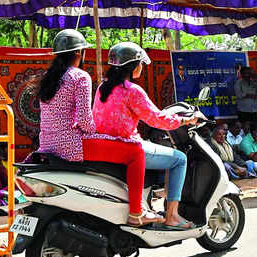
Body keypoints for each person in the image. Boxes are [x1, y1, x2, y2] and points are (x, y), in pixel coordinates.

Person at [36, 30, 162, 227]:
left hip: (46, 144)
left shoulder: (48, 77)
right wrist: (96, 132)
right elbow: (85, 120)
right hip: (72, 145)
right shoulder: (80, 76)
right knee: (135, 152)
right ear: (79, 53)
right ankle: (136, 213)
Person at [93, 42, 201, 230]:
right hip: (128, 148)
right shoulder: (132, 91)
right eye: (141, 63)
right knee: (180, 159)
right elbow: (157, 119)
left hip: (106, 147)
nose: (142, 67)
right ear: (133, 65)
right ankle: (172, 215)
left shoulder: (103, 87)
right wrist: (186, 121)